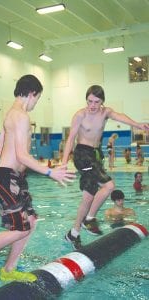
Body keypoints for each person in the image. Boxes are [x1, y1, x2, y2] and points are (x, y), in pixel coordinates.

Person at [0, 75, 76, 285]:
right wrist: (50, 172)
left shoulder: (9, 115)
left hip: (14, 177)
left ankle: (8, 269)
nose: (35, 104)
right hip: (7, 178)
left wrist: (14, 165)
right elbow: (21, 155)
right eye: (37, 99)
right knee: (20, 227)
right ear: (32, 93)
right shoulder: (20, 116)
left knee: (30, 222)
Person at [63, 84, 149, 250]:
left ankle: (73, 233)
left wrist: (137, 125)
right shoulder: (80, 115)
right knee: (109, 186)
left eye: (96, 102)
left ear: (102, 101)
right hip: (82, 154)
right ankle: (89, 219)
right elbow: (70, 138)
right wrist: (64, 162)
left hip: (95, 155)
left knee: (88, 197)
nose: (92, 105)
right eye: (89, 101)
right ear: (86, 100)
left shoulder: (105, 112)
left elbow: (120, 116)